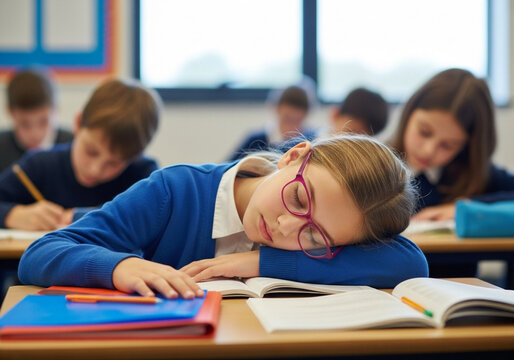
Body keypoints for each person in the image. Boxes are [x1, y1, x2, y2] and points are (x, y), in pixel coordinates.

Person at [19, 135, 428, 299]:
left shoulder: (300, 235)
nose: (287, 226)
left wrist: (261, 261)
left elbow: (411, 261)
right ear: (294, 155)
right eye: (299, 199)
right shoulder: (173, 191)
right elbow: (40, 254)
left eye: (315, 238)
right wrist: (120, 266)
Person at [0, 78, 160, 231]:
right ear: (77, 123)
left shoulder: (143, 174)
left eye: (114, 163)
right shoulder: (39, 165)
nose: (95, 170)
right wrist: (13, 215)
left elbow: (151, 216)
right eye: (91, 152)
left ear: (135, 156)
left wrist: (80, 217)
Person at [390, 68, 514, 221]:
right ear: (409, 114)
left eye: (448, 146)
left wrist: (464, 208)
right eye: (424, 132)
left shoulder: (472, 173)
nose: (429, 151)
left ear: (466, 147)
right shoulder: (372, 162)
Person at [0, 68, 74, 173]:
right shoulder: (2, 148)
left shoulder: (73, 147)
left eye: (43, 122)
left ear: (56, 110)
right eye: (25, 124)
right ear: (10, 113)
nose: (35, 133)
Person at [228, 80, 318, 161]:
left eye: (297, 121)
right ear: (276, 109)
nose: (291, 126)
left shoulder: (311, 141)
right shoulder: (256, 140)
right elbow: (227, 170)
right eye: (287, 119)